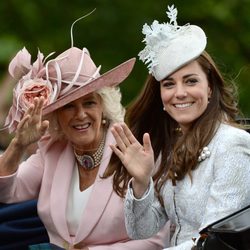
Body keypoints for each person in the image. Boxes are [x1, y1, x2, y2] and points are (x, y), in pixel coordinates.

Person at [0, 27, 169, 249]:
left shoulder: (135, 151)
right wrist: (18, 145)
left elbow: (156, 240)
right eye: (69, 107)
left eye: (89, 103)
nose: (80, 115)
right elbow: (7, 193)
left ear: (103, 108)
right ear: (57, 117)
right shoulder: (52, 151)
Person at [110, 4, 250, 250]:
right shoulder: (172, 146)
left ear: (209, 88)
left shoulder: (232, 144)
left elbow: (215, 241)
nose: (180, 93)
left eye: (191, 81)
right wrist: (142, 182)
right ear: (161, 97)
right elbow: (141, 231)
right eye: (169, 84)